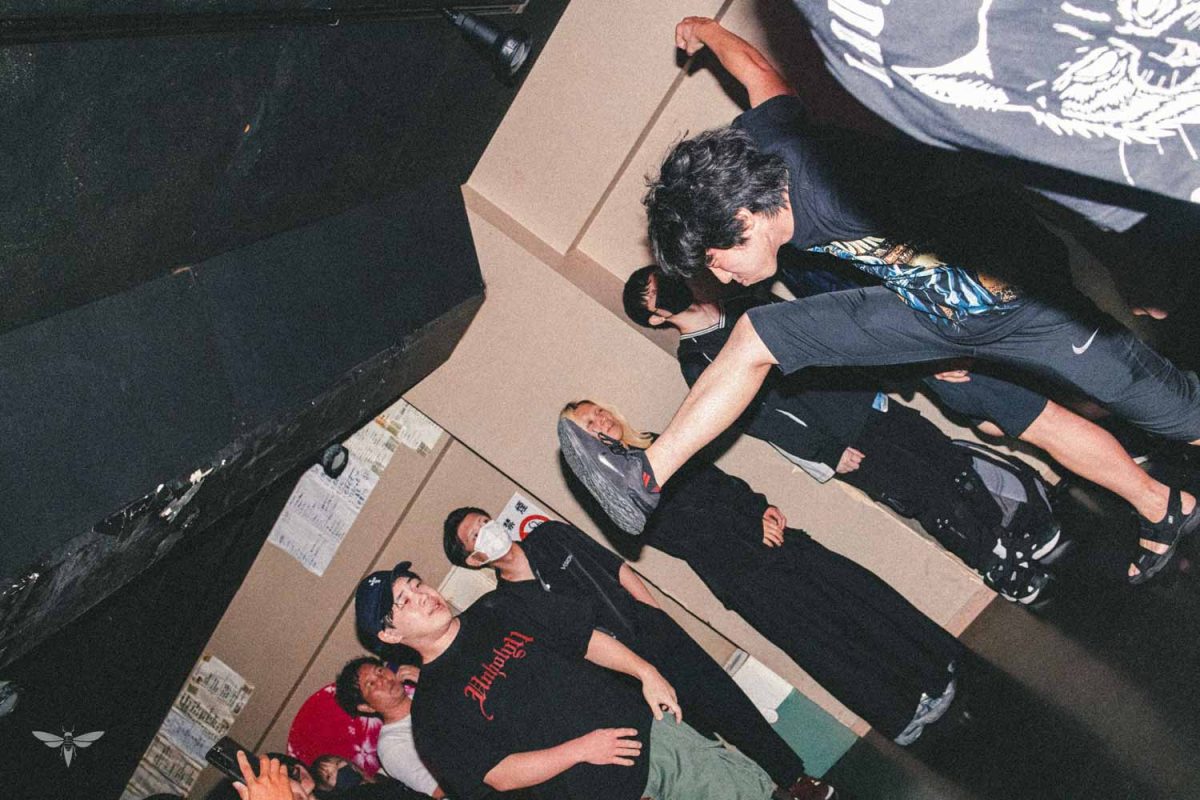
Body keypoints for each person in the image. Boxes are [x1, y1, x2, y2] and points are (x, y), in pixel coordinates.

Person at [574, 16, 1200, 583]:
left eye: (716, 261)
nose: (725, 279)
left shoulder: (844, 191)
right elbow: (759, 73)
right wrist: (707, 30)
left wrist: (1127, 257)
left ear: (742, 219)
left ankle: (1168, 492)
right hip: (926, 312)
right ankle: (645, 473)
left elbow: (1014, 168)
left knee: (1177, 412)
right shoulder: (766, 143)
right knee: (755, 336)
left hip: (1018, 300)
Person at [623, 266, 1067, 601]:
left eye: (662, 281)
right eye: (657, 296)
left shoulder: (742, 306)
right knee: (929, 498)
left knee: (949, 466)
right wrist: (827, 451)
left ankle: (1014, 543)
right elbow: (760, 419)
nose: (669, 290)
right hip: (844, 439)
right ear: (657, 318)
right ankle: (1002, 571)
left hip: (867, 401)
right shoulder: (697, 361)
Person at [559, 400, 964, 746]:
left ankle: (929, 670)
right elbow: (683, 532)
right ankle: (901, 714)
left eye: (598, 411)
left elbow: (720, 483)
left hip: (773, 540)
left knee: (854, 596)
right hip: (741, 573)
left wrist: (762, 508)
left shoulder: (657, 444)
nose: (600, 420)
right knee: (824, 642)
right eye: (588, 424)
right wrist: (750, 528)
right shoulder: (619, 494)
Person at [442, 506, 838, 799]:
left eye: (485, 521)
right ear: (474, 560)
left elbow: (614, 567)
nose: (488, 530)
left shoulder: (550, 537)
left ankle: (795, 779)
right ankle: (762, 790)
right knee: (692, 736)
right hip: (619, 677)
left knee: (727, 705)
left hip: (651, 634)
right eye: (476, 535)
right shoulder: (509, 604)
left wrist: (655, 614)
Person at [353, 561, 780, 800]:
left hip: (656, 737)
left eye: (417, 584)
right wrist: (581, 750)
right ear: (390, 635)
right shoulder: (432, 713)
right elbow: (497, 774)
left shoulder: (499, 607)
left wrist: (644, 671)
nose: (424, 595)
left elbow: (584, 638)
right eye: (404, 601)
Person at [333, 657, 441, 798]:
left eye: (379, 671)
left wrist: (431, 681)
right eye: (371, 684)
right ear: (366, 707)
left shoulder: (426, 691)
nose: (382, 679)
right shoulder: (392, 745)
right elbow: (438, 791)